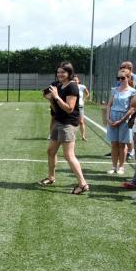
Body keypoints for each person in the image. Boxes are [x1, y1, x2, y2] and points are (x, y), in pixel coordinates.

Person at [39, 62, 89, 194]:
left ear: (69, 73)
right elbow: (57, 110)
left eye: (63, 72)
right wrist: (50, 99)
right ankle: (51, 177)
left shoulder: (72, 86)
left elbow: (69, 109)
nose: (60, 74)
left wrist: (56, 96)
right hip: (59, 121)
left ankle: (83, 184)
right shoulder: (58, 85)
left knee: (68, 155)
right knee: (51, 151)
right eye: (58, 72)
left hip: (68, 124)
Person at [105, 68, 135, 175]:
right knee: (114, 144)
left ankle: (121, 167)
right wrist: (108, 118)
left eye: (122, 78)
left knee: (122, 144)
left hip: (124, 118)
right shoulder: (114, 90)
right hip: (112, 117)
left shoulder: (132, 91)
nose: (120, 80)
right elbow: (109, 105)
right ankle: (113, 166)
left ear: (128, 78)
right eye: (118, 78)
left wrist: (122, 120)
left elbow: (132, 108)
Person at [73, 75, 89, 141]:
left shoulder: (82, 87)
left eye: (76, 80)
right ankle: (73, 136)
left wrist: (84, 100)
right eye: (73, 80)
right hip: (72, 107)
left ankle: (83, 136)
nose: (75, 81)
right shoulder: (70, 87)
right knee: (73, 121)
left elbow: (87, 94)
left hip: (80, 106)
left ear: (78, 81)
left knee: (81, 122)